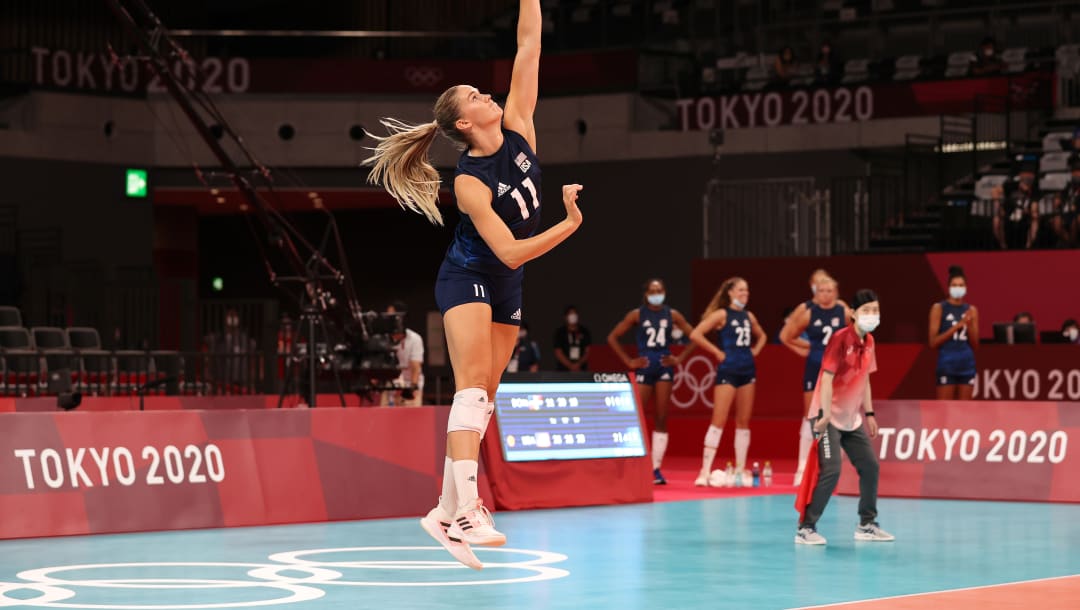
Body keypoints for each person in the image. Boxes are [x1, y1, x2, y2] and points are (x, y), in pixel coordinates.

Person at [363, 0, 584, 570]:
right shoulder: (468, 182)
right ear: (464, 123)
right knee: (472, 391)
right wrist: (569, 224)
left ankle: (441, 510)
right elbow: (507, 249)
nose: (487, 96)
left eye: (484, 93)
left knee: (486, 399)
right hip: (469, 275)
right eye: (475, 97)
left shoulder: (519, 127)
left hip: (509, 282)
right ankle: (467, 509)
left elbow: (528, 43)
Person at [796, 289, 894, 545]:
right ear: (853, 313)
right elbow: (826, 379)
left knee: (870, 466)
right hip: (826, 415)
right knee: (831, 470)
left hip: (852, 419)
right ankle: (806, 528)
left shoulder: (870, 341)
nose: (872, 315)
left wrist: (869, 413)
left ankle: (866, 524)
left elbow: (866, 379)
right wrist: (825, 414)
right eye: (866, 311)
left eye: (875, 310)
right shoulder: (840, 339)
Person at [607, 278, 697, 485]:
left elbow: (695, 336)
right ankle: (630, 464)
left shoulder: (672, 314)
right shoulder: (637, 314)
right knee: (635, 416)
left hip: (664, 365)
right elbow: (612, 337)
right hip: (645, 365)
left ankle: (655, 468)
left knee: (662, 416)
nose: (657, 293)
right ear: (646, 293)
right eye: (653, 290)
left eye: (660, 290)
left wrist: (680, 358)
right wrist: (629, 361)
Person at [689, 277, 766, 487]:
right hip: (728, 370)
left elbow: (763, 336)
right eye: (741, 290)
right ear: (730, 292)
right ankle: (704, 471)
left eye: (747, 290)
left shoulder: (748, 316)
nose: (745, 294)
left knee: (743, 422)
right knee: (719, 420)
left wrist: (755, 351)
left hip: (747, 370)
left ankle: (740, 469)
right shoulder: (722, 314)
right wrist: (716, 351)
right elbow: (696, 334)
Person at [779, 274, 851, 486]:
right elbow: (786, 336)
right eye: (821, 291)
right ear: (815, 293)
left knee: (837, 415)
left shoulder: (844, 312)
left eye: (829, 291)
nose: (825, 295)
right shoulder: (809, 313)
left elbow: (858, 336)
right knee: (810, 414)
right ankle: (802, 467)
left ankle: (835, 469)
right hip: (814, 368)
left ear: (836, 293)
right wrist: (806, 349)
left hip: (837, 370)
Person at [928, 266, 979, 400]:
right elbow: (933, 342)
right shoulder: (939, 308)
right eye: (954, 285)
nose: (958, 288)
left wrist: (968, 326)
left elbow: (975, 344)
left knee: (965, 412)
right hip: (947, 364)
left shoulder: (971, 310)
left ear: (966, 288)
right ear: (949, 287)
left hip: (967, 364)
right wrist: (957, 326)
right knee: (945, 412)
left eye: (961, 285)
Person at [380, 301, 425, 406]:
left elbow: (415, 367)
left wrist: (413, 387)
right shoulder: (383, 339)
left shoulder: (415, 339)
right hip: (390, 386)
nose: (389, 319)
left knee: (410, 420)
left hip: (410, 386)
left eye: (392, 316)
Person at [993, 163, 1040, 249]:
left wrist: (1029, 211)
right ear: (1020, 175)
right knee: (997, 220)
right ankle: (1003, 246)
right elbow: (995, 191)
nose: (1027, 177)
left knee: (1035, 218)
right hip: (1009, 213)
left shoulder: (1035, 188)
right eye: (1025, 174)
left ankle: (1028, 246)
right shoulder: (1011, 185)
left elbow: (1034, 206)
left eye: (1030, 174)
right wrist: (999, 207)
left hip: (1026, 215)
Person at [1050, 154, 1080, 247]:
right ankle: (1070, 244)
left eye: (1078, 172)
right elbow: (1061, 198)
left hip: (1077, 214)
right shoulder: (1068, 187)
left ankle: (1072, 244)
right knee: (1055, 221)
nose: (1076, 174)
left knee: (1077, 220)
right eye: (1074, 172)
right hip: (1067, 213)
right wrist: (1058, 199)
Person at [553, 305, 591, 371]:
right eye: (570, 314)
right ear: (565, 317)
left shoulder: (584, 331)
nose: (573, 316)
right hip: (563, 370)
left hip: (581, 369)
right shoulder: (560, 333)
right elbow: (558, 352)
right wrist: (570, 365)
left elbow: (588, 351)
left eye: (574, 314)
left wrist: (578, 364)